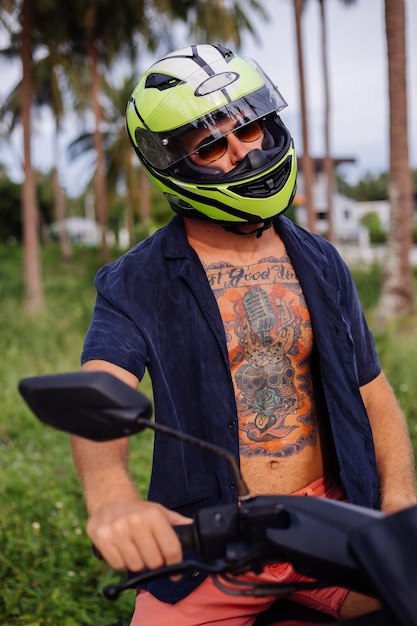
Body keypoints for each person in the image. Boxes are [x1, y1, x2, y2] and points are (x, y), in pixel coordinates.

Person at [71, 44, 417, 625]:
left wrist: (400, 500)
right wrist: (111, 497)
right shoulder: (136, 280)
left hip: (331, 522)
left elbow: (372, 390)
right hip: (211, 543)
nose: (241, 152)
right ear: (175, 164)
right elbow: (99, 385)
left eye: (250, 128)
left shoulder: (322, 259)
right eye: (211, 145)